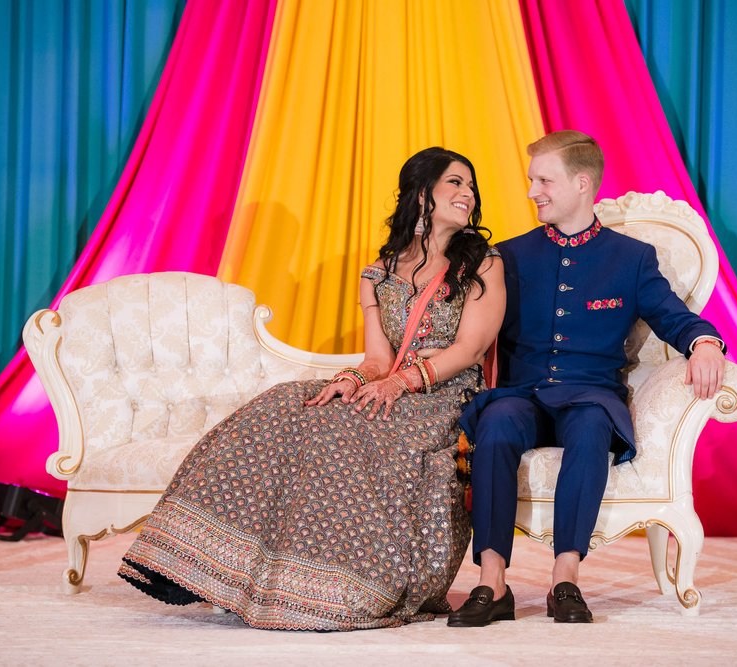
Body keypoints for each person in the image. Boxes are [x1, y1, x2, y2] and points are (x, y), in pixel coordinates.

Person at [119, 147, 505, 631]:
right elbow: (378, 359)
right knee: (289, 405)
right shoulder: (379, 272)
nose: (467, 194)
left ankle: (344, 582)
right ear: (421, 192)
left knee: (341, 434)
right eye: (455, 182)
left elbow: (470, 349)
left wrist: (400, 384)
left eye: (471, 185)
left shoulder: (482, 264)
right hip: (391, 388)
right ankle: (212, 567)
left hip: (443, 401)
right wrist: (351, 381)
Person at [449, 130, 726, 626]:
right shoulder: (508, 257)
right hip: (523, 394)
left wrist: (705, 343)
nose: (532, 190)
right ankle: (491, 582)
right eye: (532, 179)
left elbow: (673, 316)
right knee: (496, 424)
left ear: (581, 184)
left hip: (590, 397)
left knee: (593, 425)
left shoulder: (631, 258)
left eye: (543, 180)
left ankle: (566, 578)